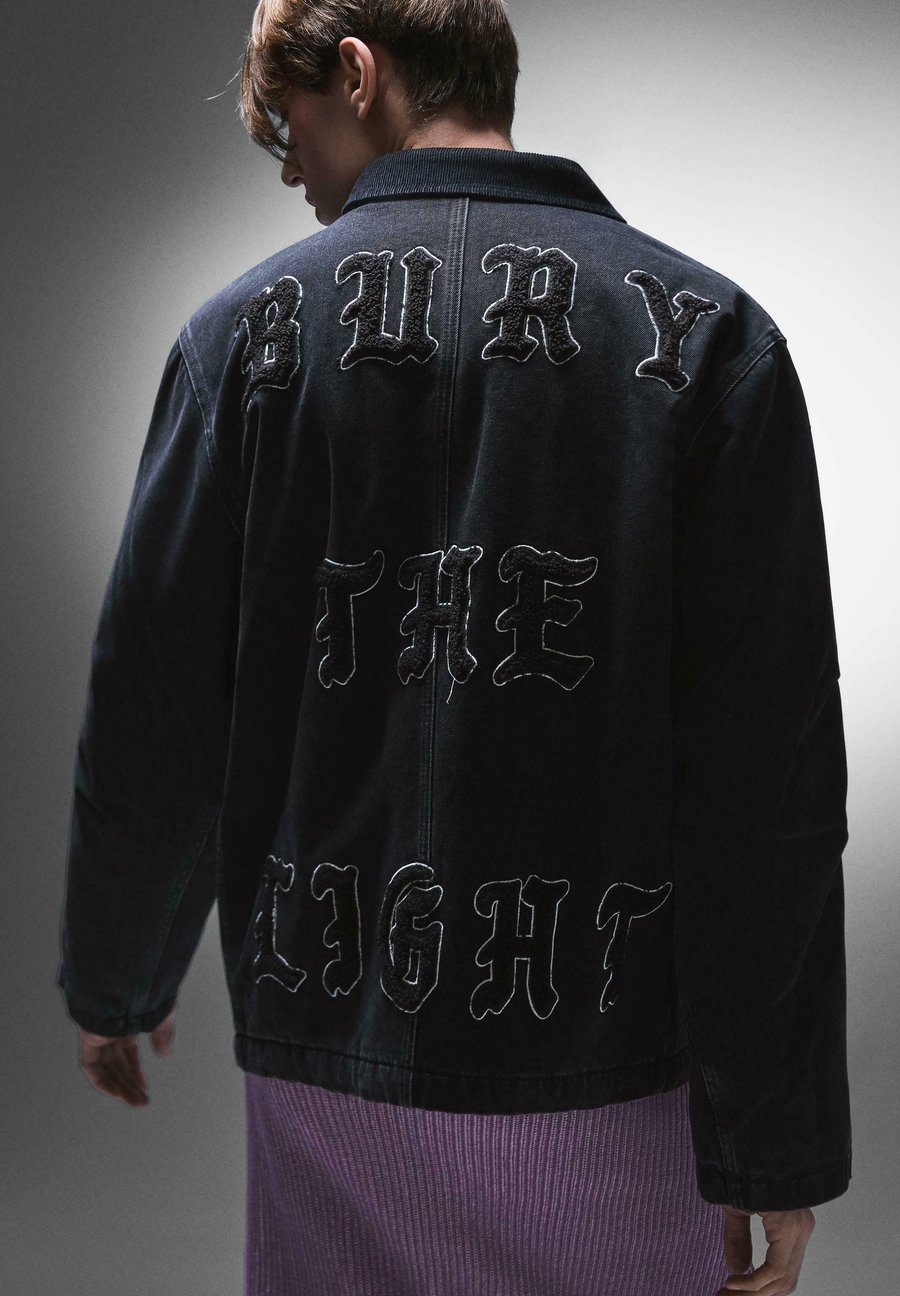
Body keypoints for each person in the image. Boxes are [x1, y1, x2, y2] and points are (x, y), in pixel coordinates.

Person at [55, 2, 851, 1293]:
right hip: (614, 1057)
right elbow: (770, 785)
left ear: (356, 73)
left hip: (331, 1036)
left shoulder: (237, 342)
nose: (291, 177)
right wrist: (773, 1146)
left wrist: (117, 977)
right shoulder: (714, 337)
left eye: (288, 133)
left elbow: (158, 708)